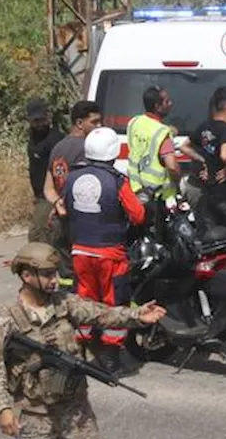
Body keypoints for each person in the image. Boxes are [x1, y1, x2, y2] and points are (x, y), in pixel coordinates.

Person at [0, 243, 166, 439]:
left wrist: (136, 316)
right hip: (36, 412)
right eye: (47, 274)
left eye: (55, 273)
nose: (55, 280)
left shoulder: (64, 304)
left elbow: (100, 313)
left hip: (75, 408)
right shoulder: (8, 319)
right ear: (27, 275)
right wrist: (2, 409)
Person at [63, 127, 147, 375]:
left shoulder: (72, 177)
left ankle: (81, 353)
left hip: (80, 251)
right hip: (110, 253)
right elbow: (138, 215)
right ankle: (110, 359)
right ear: (113, 152)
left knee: (85, 300)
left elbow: (65, 207)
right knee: (114, 304)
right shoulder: (117, 180)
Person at [184, 87, 226, 270]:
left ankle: (216, 277)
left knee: (215, 240)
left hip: (209, 193)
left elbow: (184, 147)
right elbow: (224, 154)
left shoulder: (204, 127)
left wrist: (202, 159)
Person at [43, 101, 103, 286]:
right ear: (79, 123)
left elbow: (48, 188)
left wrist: (57, 203)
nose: (99, 127)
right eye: (94, 122)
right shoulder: (87, 149)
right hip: (80, 223)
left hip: (61, 222)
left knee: (66, 275)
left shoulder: (58, 147)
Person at [125, 86, 180, 202]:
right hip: (158, 197)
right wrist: (180, 180)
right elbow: (172, 166)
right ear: (157, 106)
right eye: (167, 101)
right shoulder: (163, 133)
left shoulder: (134, 122)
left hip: (135, 190)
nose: (171, 103)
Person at [26, 99, 63, 244]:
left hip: (50, 193)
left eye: (42, 120)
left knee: (37, 232)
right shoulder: (34, 137)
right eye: (35, 121)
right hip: (39, 192)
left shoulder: (55, 139)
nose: (39, 124)